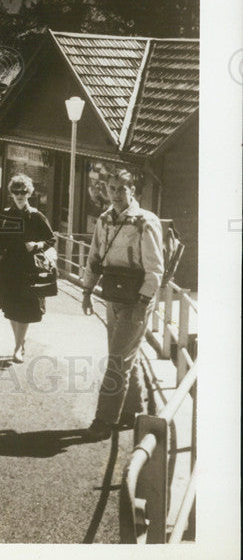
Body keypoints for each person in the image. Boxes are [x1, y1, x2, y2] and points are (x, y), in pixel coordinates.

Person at [80, 167, 164, 441]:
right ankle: (132, 411)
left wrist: (143, 302)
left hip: (136, 299)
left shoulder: (144, 221)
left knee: (117, 361)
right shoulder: (105, 219)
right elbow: (94, 256)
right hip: (113, 296)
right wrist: (87, 289)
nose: (116, 194)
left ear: (133, 191)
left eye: (122, 189)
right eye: (112, 188)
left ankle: (104, 420)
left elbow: (155, 269)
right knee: (126, 356)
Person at [0, 174, 56, 363]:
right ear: (11, 193)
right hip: (9, 267)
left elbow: (51, 239)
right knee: (11, 308)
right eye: (16, 191)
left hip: (29, 268)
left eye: (23, 192)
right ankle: (19, 341)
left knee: (26, 309)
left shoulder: (35, 216)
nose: (20, 195)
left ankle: (18, 347)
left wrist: (36, 245)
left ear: (29, 193)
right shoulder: (5, 215)